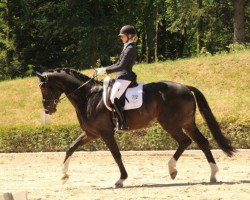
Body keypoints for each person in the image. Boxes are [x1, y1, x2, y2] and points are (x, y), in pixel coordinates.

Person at [96, 25, 138, 130]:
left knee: (113, 97)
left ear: (129, 36)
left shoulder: (130, 48)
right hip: (121, 76)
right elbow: (118, 63)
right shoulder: (127, 47)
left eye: (122, 36)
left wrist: (105, 71)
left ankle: (122, 123)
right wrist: (104, 68)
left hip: (125, 77)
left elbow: (121, 66)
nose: (121, 38)